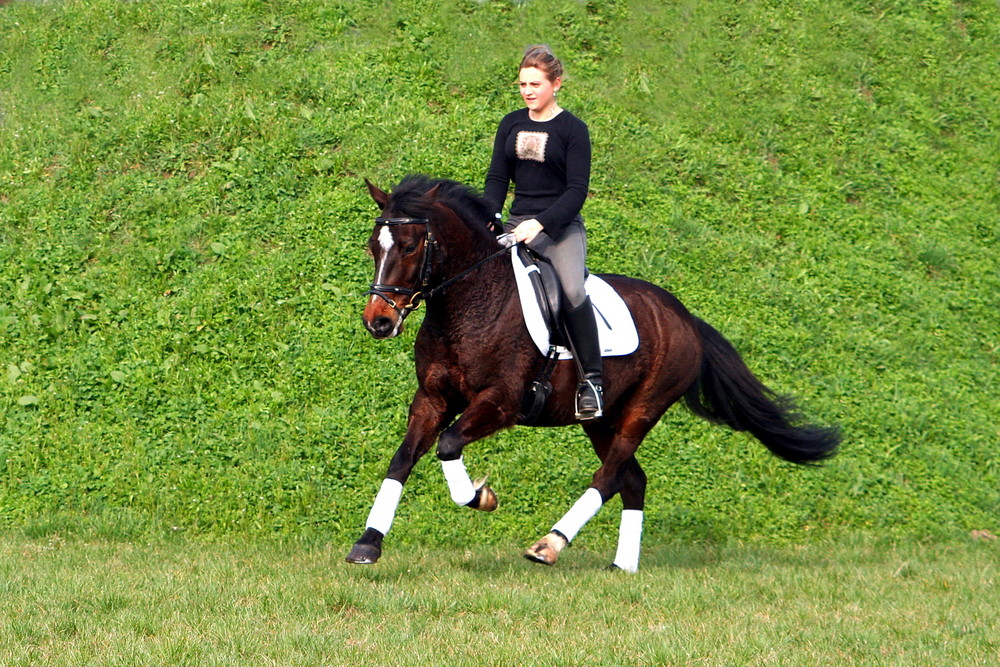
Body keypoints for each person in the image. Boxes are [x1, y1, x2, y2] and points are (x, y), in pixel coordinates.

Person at [483, 45, 603, 420]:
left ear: (556, 84)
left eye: (535, 84)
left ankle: (592, 382)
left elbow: (576, 191)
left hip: (560, 227)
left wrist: (542, 223)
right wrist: (491, 215)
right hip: (516, 222)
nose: (527, 91)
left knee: (571, 289)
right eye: (522, 84)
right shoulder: (511, 123)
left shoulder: (573, 130)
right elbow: (498, 176)